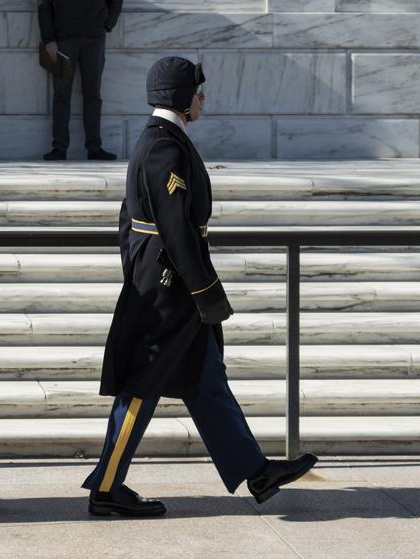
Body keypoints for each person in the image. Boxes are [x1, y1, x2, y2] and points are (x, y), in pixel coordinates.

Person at [83, 57, 317, 517]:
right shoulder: (163, 148)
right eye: (197, 91)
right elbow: (175, 228)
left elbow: (129, 222)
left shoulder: (161, 141)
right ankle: (106, 488)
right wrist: (204, 290)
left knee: (206, 379)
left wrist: (138, 266)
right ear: (179, 97)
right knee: (142, 385)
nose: (202, 98)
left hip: (167, 282)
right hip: (171, 289)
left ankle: (256, 472)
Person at [38, 0, 122, 161]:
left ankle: (94, 148)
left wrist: (108, 23)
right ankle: (59, 148)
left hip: (94, 38)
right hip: (63, 39)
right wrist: (48, 39)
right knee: (61, 94)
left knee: (93, 94)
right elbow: (44, 5)